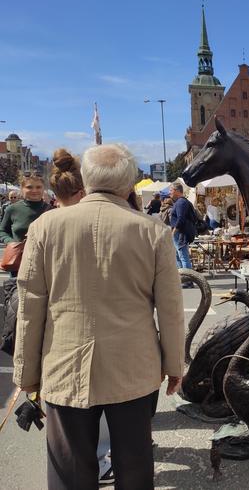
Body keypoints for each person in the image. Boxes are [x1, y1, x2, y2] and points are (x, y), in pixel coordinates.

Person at [13, 143, 185, 490]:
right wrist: (174, 366)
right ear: (128, 184)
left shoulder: (46, 227)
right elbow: (170, 309)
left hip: (65, 364)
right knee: (135, 466)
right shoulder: (152, 231)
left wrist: (26, 373)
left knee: (70, 471)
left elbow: (30, 305)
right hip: (134, 367)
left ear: (86, 180)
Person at [48, 148, 115, 485]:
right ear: (82, 190)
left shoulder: (44, 226)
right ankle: (100, 460)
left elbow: (34, 301)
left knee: (68, 419)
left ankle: (90, 463)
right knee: (98, 405)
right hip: (105, 336)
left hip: (60, 338)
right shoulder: (111, 222)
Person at [0, 173, 50, 276]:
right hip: (19, 262)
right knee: (17, 291)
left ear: (43, 189)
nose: (34, 190)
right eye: (29, 187)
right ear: (22, 189)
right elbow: (2, 231)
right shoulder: (12, 209)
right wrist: (11, 242)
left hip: (44, 262)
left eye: (38, 187)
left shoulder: (51, 210)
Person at [169, 182, 196, 270]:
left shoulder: (181, 202)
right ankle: (182, 279)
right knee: (178, 257)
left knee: (183, 257)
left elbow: (181, 218)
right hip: (179, 233)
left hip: (180, 233)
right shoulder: (180, 202)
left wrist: (173, 231)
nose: (170, 192)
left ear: (177, 191)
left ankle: (188, 281)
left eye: (171, 190)